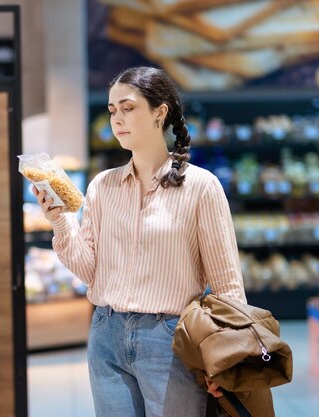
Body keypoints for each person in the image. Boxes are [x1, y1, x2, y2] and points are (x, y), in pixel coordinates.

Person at [32, 66, 247, 417]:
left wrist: (227, 355)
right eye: (112, 110)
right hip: (106, 333)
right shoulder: (103, 186)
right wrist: (59, 218)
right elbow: (90, 270)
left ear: (159, 112)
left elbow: (227, 284)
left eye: (128, 108)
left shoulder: (201, 187)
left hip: (171, 339)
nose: (117, 118)